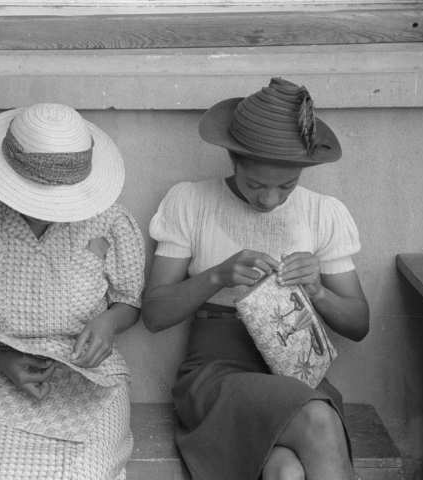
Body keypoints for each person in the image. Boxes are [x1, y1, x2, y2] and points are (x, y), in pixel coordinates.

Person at [143, 78, 369, 480]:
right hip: (217, 375)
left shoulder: (321, 212)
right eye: (255, 184)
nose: (269, 199)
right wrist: (216, 276)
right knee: (317, 418)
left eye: (286, 185)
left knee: (286, 472)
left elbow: (359, 324)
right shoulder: (191, 202)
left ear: (304, 171)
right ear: (232, 160)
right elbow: (155, 314)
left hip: (295, 372)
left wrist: (317, 291)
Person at [0, 103, 145, 480]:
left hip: (92, 377)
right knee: (3, 473)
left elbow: (128, 304)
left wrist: (108, 321)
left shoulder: (110, 221)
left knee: (84, 472)